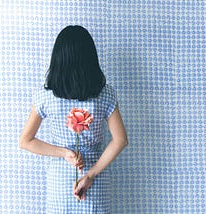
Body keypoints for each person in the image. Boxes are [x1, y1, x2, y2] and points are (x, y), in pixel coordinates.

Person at [19, 25, 128, 213]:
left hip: (59, 181)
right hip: (95, 179)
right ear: (90, 60)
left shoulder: (46, 97)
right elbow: (120, 140)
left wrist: (64, 153)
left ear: (58, 60)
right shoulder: (105, 95)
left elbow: (25, 141)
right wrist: (90, 174)